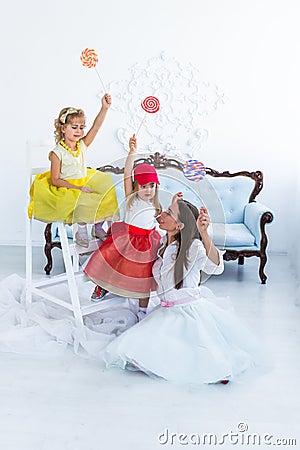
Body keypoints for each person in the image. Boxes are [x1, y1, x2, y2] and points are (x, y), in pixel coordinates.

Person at [103, 197, 261, 386]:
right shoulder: (162, 243)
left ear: (179, 225)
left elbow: (216, 266)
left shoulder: (193, 248)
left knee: (195, 352)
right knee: (133, 353)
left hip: (188, 311)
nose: (163, 215)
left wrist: (203, 233)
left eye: (169, 213)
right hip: (165, 310)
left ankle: (213, 366)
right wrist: (173, 207)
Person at [84, 134, 162, 320]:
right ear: (135, 187)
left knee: (144, 278)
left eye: (151, 186)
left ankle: (143, 310)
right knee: (113, 264)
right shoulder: (132, 199)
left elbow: (163, 221)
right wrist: (132, 152)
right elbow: (127, 174)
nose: (148, 190)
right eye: (143, 186)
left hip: (146, 243)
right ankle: (102, 286)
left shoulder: (156, 205)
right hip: (127, 238)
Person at [28, 94, 119, 247]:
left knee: (105, 189)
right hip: (66, 186)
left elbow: (96, 127)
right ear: (63, 128)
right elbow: (55, 179)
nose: (79, 131)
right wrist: (77, 187)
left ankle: (98, 227)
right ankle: (81, 230)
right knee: (81, 199)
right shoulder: (57, 153)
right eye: (74, 127)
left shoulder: (82, 145)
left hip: (84, 179)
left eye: (81, 128)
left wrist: (104, 108)